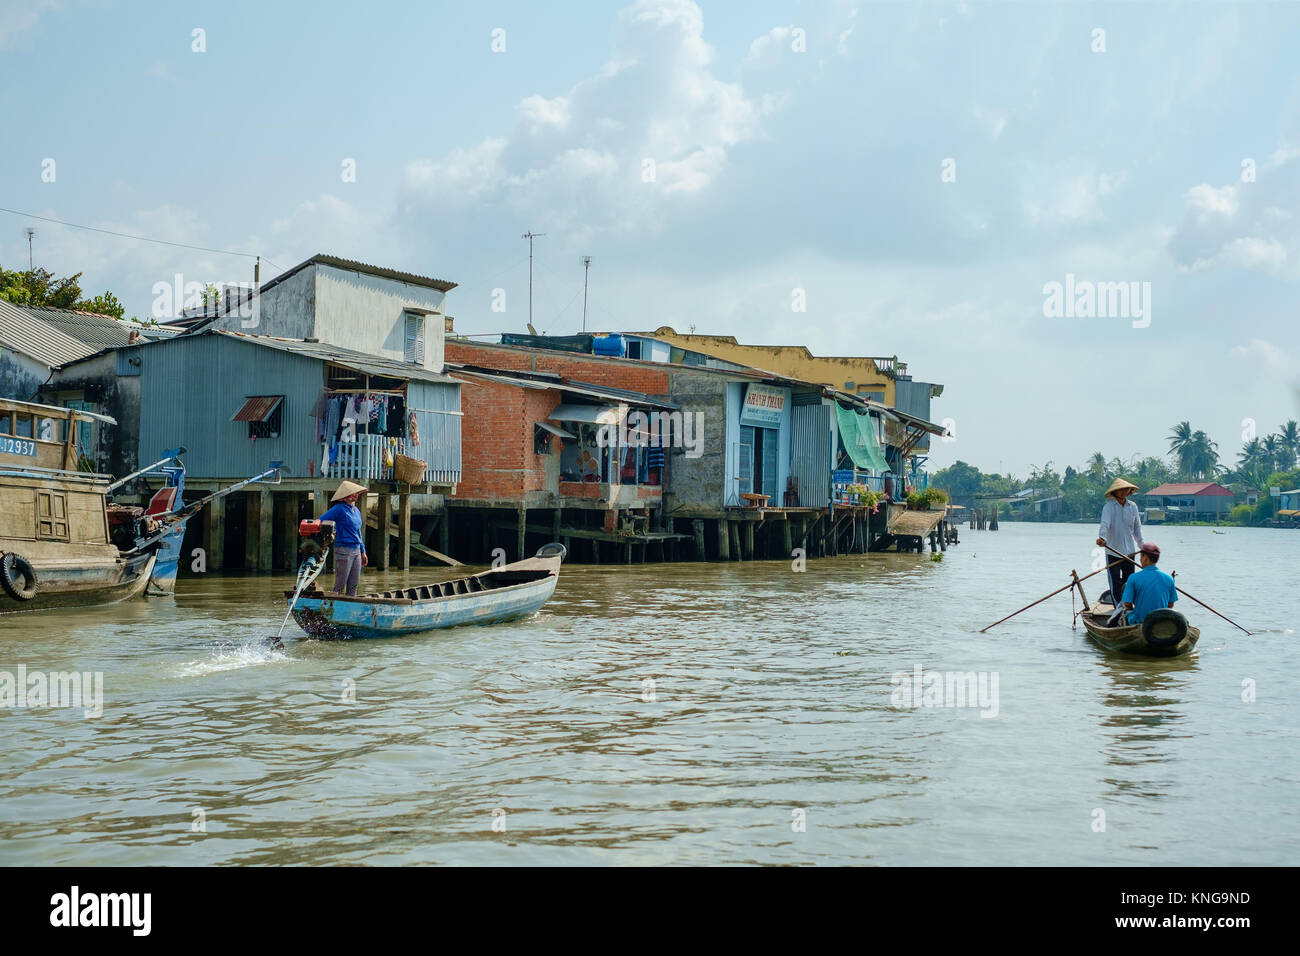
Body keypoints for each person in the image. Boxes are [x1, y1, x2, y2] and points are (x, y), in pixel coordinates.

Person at [1096, 477, 1143, 604]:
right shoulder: (1109, 507)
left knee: (1129, 583)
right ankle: (1118, 609)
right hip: (1113, 551)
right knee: (1116, 584)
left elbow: (1137, 528)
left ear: (1129, 491)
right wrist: (1102, 538)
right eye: (1120, 490)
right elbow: (1105, 524)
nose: (1123, 492)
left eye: (1125, 489)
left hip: (1130, 553)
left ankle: (1128, 607)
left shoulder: (1132, 507)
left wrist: (1142, 546)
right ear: (1114, 492)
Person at [320, 481, 368, 595]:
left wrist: (363, 552)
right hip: (343, 550)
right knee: (340, 584)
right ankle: (335, 608)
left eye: (356, 493)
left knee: (354, 585)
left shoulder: (356, 511)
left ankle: (351, 609)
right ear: (344, 497)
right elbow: (321, 520)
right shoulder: (339, 509)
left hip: (356, 550)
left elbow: (358, 532)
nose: (355, 495)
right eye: (352, 493)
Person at [1120, 542, 1177, 625]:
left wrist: (1132, 610)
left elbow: (1127, 604)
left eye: (1141, 556)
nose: (1140, 560)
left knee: (1125, 614)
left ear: (1145, 558)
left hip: (1139, 622)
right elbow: (1170, 604)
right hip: (1161, 621)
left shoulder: (1133, 577)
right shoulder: (1169, 579)